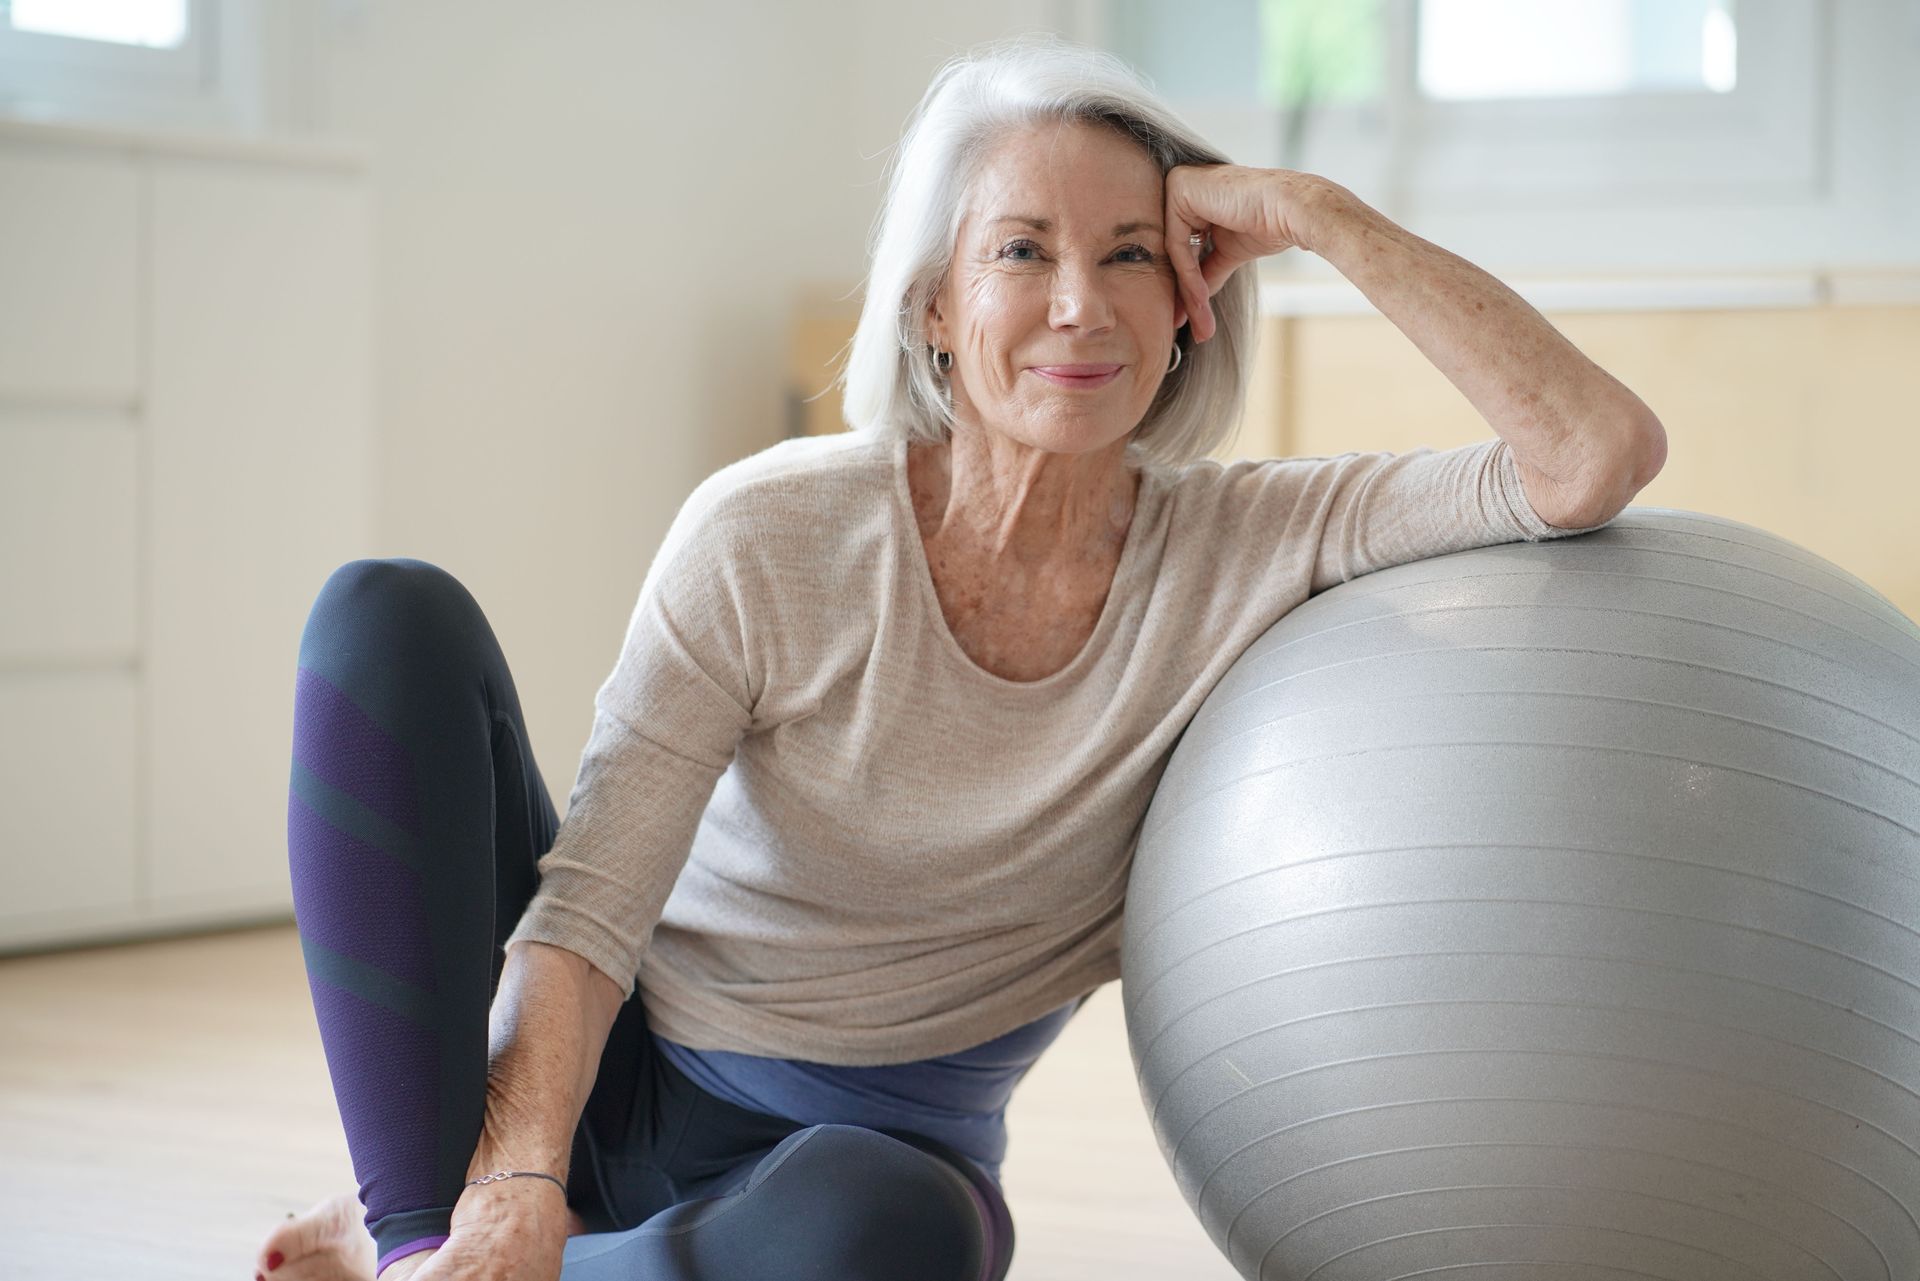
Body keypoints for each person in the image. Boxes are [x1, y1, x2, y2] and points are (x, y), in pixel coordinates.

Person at [258, 32, 1666, 1281]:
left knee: (889, 1231)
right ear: (933, 303)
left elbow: (1590, 454)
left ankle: (511, 1259)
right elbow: (590, 910)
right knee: (388, 617)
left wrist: (1315, 212)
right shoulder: (772, 531)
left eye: (1131, 252)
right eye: (1021, 249)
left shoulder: (1255, 544)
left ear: (1190, 305)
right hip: (612, 1068)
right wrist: (517, 1176)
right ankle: (431, 1242)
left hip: (859, 1169)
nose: (1079, 303)